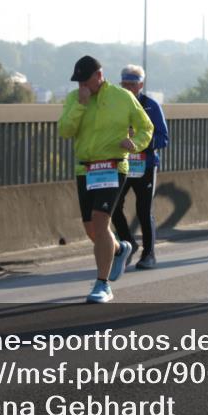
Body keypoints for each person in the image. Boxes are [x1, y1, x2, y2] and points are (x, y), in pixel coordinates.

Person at [58, 55, 154, 303]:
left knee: (101, 224)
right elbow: (64, 131)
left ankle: (102, 285)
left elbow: (146, 127)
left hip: (113, 166)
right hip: (85, 169)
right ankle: (121, 248)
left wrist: (135, 144)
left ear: (99, 76)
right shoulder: (74, 98)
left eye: (85, 80)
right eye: (78, 81)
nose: (81, 85)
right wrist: (80, 105)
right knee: (92, 229)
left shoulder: (123, 97)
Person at [111, 64, 169, 270]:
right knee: (112, 206)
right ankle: (130, 243)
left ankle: (149, 254)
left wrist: (139, 142)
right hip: (121, 164)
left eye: (132, 84)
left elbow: (164, 138)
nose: (127, 88)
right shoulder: (115, 105)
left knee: (144, 210)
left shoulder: (152, 106)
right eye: (124, 84)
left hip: (145, 165)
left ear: (141, 85)